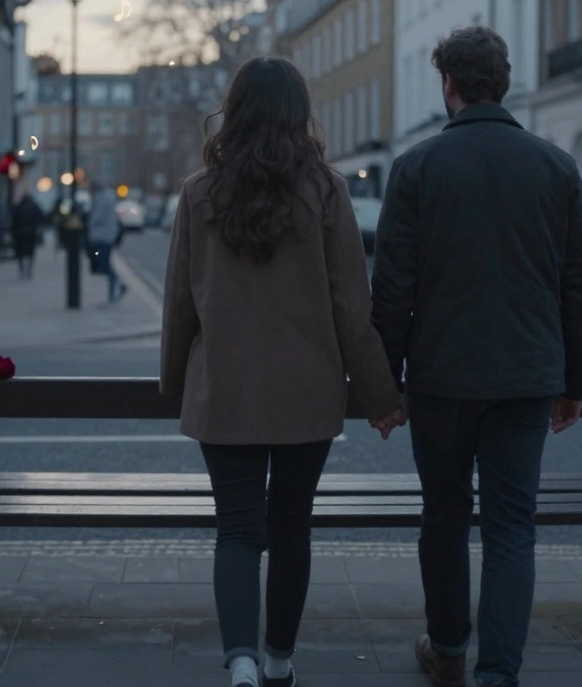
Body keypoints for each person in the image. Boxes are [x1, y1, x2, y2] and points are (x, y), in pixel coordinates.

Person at [159, 56, 406, 687]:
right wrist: (380, 394)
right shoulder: (326, 191)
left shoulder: (199, 192)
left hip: (226, 389)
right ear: (300, 115)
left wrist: (174, 384)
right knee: (292, 528)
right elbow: (353, 305)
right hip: (307, 390)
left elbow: (180, 302)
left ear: (233, 111)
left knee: (238, 530)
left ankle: (239, 658)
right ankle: (278, 660)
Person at [369, 26, 582, 687]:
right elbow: (578, 287)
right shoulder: (556, 168)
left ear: (449, 86)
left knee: (443, 517)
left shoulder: (416, 169)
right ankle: (499, 673)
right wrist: (573, 382)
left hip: (441, 379)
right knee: (509, 529)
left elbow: (392, 292)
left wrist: (385, 384)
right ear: (503, 84)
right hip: (527, 377)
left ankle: (447, 651)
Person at [86, 180, 127, 302]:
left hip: (100, 237)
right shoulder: (110, 195)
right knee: (106, 262)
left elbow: (96, 216)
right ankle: (113, 293)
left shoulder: (100, 198)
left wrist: (89, 226)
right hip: (109, 235)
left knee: (103, 264)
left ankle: (118, 284)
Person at [9, 184, 45, 279]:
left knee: (20, 252)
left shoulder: (18, 207)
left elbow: (13, 220)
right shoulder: (34, 207)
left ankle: (22, 268)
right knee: (30, 252)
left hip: (20, 233)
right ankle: (28, 269)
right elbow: (41, 218)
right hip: (30, 233)